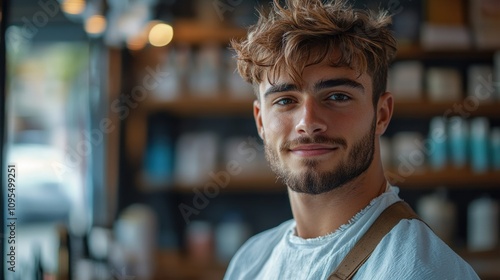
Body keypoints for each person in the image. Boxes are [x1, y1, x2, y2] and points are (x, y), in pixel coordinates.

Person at [224, 0, 480, 279]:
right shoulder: (250, 261)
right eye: (285, 100)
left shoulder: (420, 270)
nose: (308, 123)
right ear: (261, 121)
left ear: (382, 114)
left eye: (337, 97)